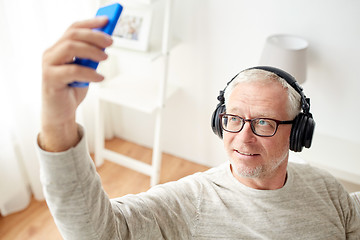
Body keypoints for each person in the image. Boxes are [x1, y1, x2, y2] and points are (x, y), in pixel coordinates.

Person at [37, 17, 360, 239]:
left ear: (299, 132)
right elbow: (96, 232)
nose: (243, 138)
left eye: (264, 122)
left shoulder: (326, 189)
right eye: (233, 119)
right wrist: (58, 121)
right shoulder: (191, 202)